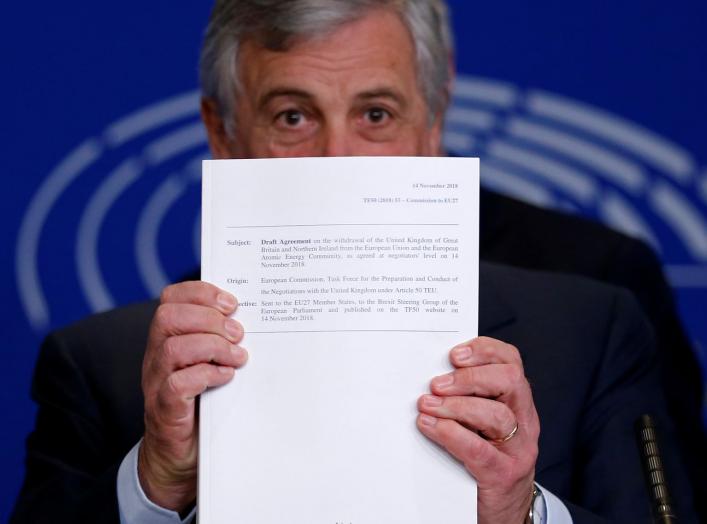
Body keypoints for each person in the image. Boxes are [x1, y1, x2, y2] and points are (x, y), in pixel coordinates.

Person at [11, 1, 701, 522]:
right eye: (291, 117)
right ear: (221, 131)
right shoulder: (99, 361)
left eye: (374, 114)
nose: (335, 158)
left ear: (432, 120)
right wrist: (157, 481)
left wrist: (519, 511)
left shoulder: (593, 323)